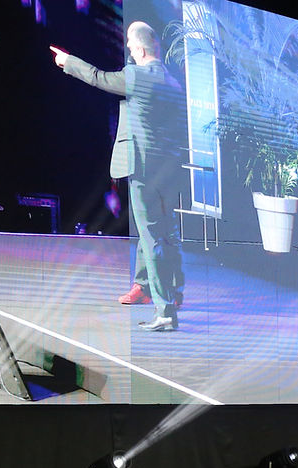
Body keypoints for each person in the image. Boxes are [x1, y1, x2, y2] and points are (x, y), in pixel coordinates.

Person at [50, 21, 184, 331]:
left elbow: (98, 78)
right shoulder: (174, 83)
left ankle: (165, 311)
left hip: (144, 168)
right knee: (160, 232)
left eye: (131, 47)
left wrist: (67, 61)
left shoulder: (137, 76)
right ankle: (155, 289)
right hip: (167, 169)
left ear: (140, 50)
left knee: (151, 237)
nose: (129, 52)